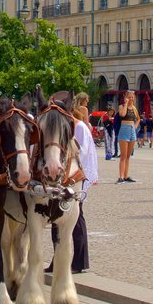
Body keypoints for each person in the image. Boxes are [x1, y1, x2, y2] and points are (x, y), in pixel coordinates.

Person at [51, 105, 99, 273]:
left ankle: (79, 261)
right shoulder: (65, 126)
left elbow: (83, 155)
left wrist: (74, 178)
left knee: (76, 219)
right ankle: (57, 259)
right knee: (56, 218)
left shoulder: (79, 127)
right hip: (61, 179)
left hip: (73, 179)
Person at [116, 91, 139, 183]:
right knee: (123, 155)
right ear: (125, 98)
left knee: (128, 155)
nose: (131, 99)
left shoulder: (134, 108)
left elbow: (138, 119)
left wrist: (135, 126)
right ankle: (121, 176)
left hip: (131, 129)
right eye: (129, 97)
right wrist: (125, 104)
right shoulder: (121, 106)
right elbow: (122, 114)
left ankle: (125, 175)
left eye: (132, 97)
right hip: (124, 129)